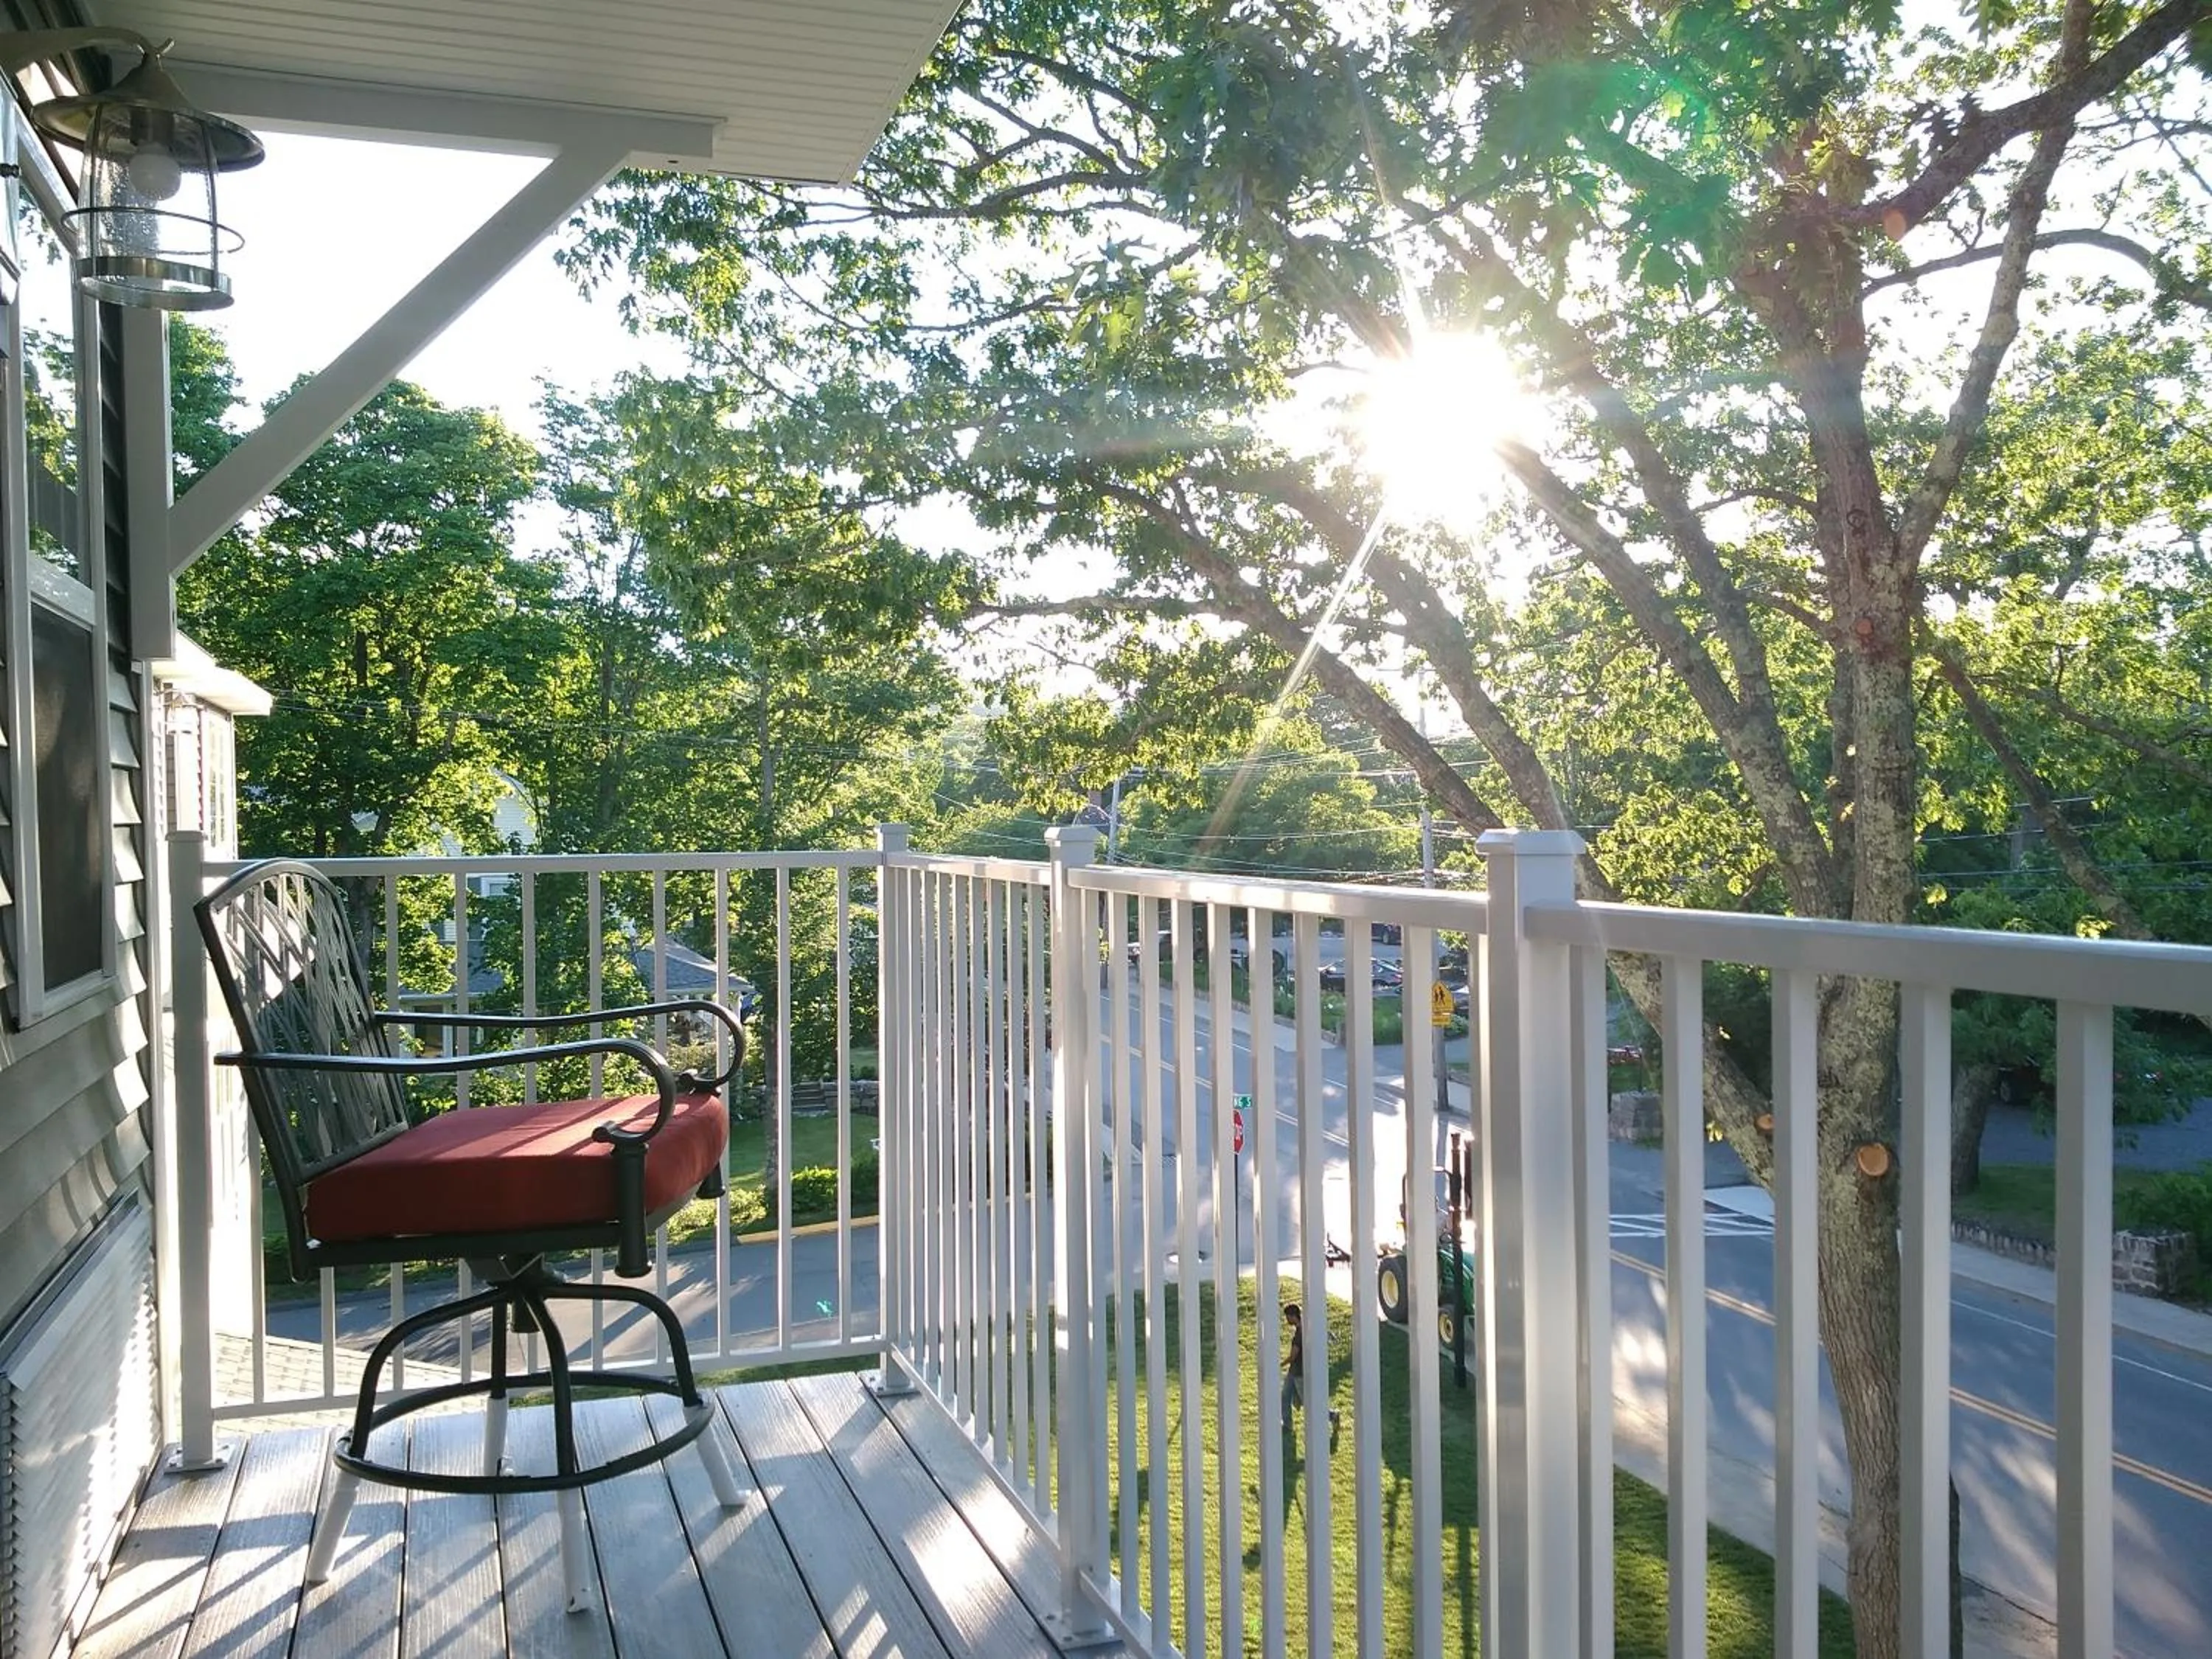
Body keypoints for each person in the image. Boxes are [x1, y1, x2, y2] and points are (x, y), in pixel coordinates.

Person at [1281, 1302, 1338, 1434]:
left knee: (1309, 1403)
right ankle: (1287, 1425)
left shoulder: (1300, 1335)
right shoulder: (1305, 1328)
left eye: (1288, 1317)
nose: (1287, 1320)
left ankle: (1332, 1416)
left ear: (1293, 1316)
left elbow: (1293, 1356)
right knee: (1285, 1396)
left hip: (1299, 1373)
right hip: (1294, 1372)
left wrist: (1280, 1364)